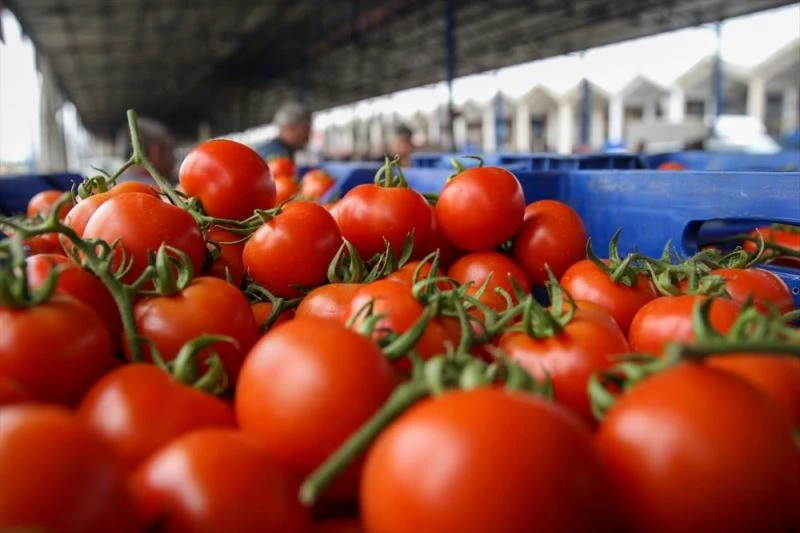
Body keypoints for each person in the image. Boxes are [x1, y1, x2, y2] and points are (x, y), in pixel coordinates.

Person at [116, 117, 176, 185]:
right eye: (170, 150)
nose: (174, 159)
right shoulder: (159, 191)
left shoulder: (113, 186)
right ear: (156, 152)